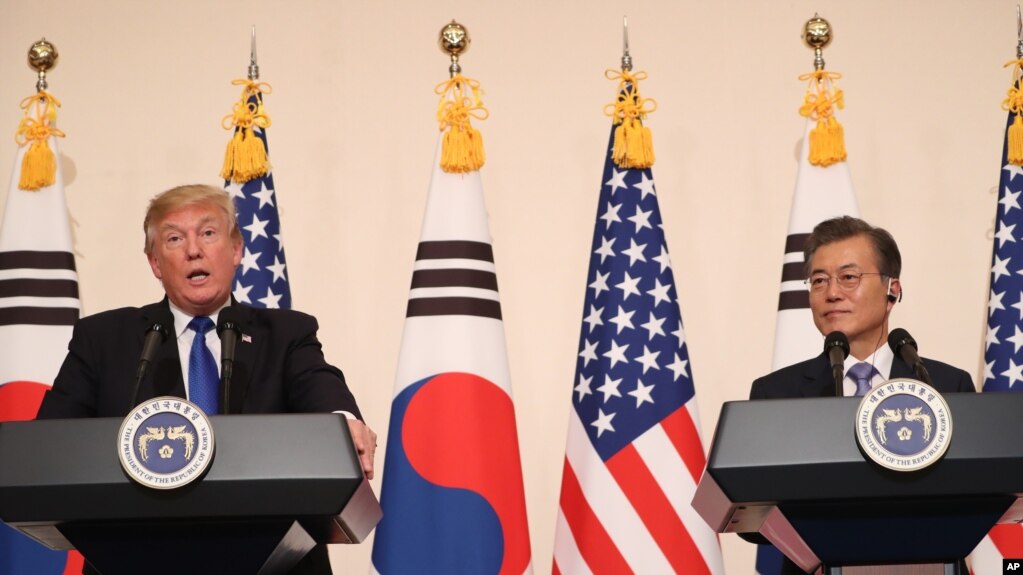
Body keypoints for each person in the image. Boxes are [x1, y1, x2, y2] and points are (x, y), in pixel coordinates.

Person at [36, 184, 376, 575]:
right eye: (174, 238)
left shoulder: (285, 333)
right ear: (155, 263)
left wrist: (343, 422)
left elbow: (318, 382)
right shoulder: (104, 339)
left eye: (208, 233)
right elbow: (51, 445)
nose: (193, 250)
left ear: (236, 250)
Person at [748, 216, 974, 574]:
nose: (832, 292)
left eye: (849, 277)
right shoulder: (777, 394)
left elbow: (974, 498)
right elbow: (752, 520)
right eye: (819, 280)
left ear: (892, 290)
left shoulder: (945, 386)